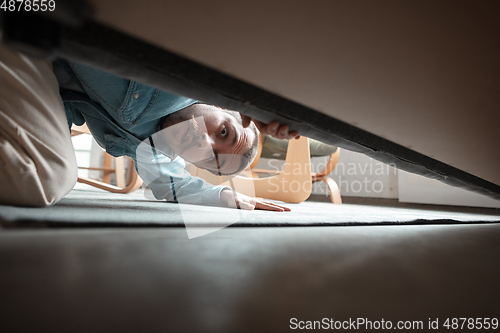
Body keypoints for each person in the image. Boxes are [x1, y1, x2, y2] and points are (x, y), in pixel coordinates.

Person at [0, 42, 299, 211]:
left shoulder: (154, 149)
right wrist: (256, 97)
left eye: (211, 159)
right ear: (224, 106)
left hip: (34, 73)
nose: (205, 144)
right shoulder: (191, 73)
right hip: (36, 24)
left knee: (49, 179)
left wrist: (226, 197)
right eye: (223, 132)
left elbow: (175, 185)